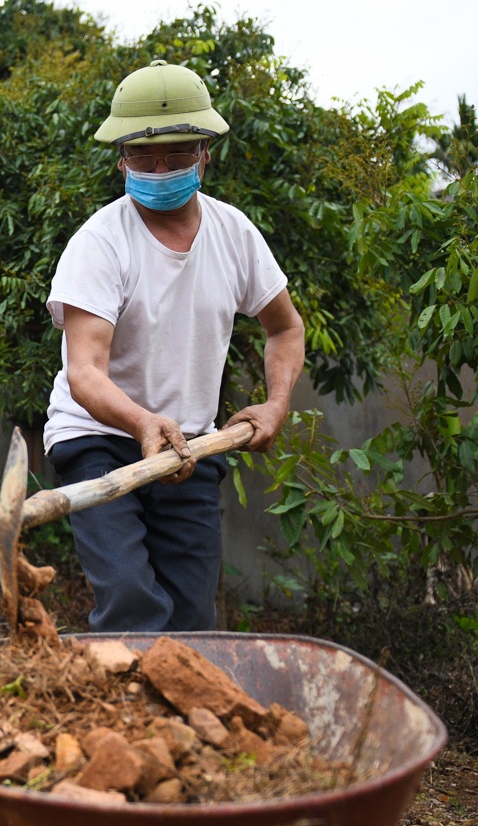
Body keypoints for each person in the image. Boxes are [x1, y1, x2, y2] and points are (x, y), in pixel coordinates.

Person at [43, 59, 305, 633]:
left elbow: (285, 327)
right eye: (142, 154)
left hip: (191, 449)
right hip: (100, 439)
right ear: (121, 158)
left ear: (205, 154)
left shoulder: (235, 233)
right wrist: (140, 422)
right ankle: (122, 719)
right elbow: (85, 373)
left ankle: (180, 719)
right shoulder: (100, 243)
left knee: (192, 618)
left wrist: (275, 403)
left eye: (178, 152)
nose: (159, 167)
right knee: (132, 603)